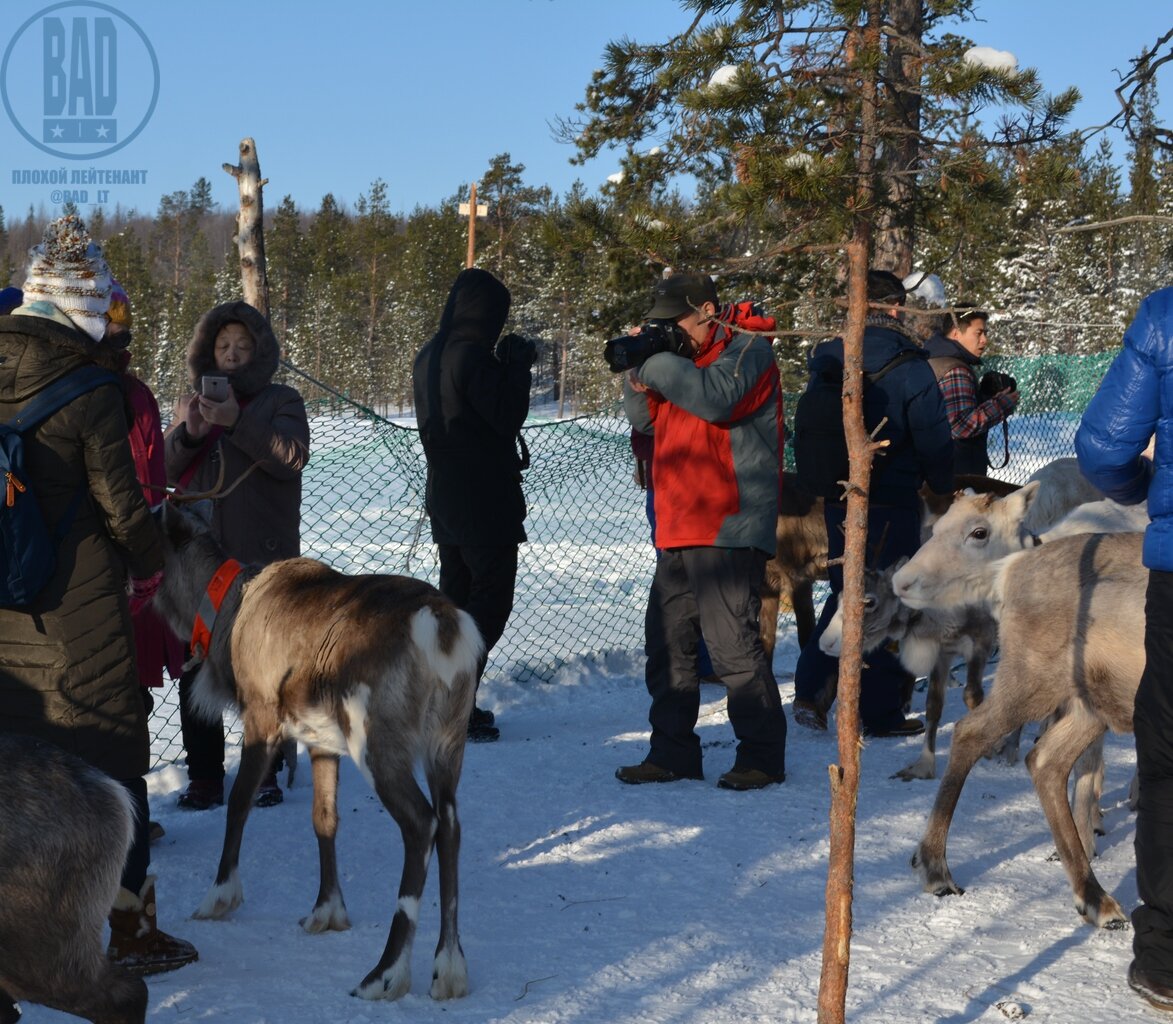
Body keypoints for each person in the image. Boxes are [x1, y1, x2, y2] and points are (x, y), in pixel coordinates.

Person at [0, 215, 197, 974]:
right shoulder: (91, 387)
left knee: (18, 776)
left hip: (6, 610)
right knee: (112, 767)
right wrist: (150, 565)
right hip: (81, 615)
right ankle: (128, 930)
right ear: (83, 308)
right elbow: (124, 509)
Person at [615, 271, 787, 790]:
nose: (670, 332)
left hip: (729, 523)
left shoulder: (749, 350)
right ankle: (672, 754)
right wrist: (634, 380)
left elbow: (718, 399)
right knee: (668, 647)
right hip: (678, 523)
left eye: (676, 322)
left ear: (708, 309)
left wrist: (656, 362)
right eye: (660, 325)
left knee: (732, 646)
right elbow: (646, 424)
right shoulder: (681, 363)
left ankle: (761, 757)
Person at [792, 269, 954, 737]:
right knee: (887, 597)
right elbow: (934, 438)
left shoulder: (827, 358)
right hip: (891, 499)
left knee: (847, 593)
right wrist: (941, 485)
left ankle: (812, 690)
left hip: (839, 498)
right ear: (893, 308)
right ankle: (880, 711)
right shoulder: (910, 365)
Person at [164, 301, 310, 809]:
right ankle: (204, 774)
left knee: (265, 669)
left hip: (261, 565)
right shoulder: (194, 403)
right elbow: (163, 467)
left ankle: (265, 768)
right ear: (208, 353)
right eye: (222, 347)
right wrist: (190, 432)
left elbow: (292, 458)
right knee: (197, 662)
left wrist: (238, 423)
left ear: (260, 353)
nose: (230, 356)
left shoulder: (281, 400)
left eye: (242, 347)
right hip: (201, 569)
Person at [1074, 286, 1173, 1013]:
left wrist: (1146, 486)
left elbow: (1104, 447)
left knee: (1167, 758)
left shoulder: (1165, 315)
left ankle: (1165, 957)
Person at [412, 267, 535, 744]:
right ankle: (451, 705)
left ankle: (437, 701)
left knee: (457, 600)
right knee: (488, 602)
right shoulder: (471, 356)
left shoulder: (429, 354)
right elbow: (505, 418)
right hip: (484, 499)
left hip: (445, 497)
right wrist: (517, 368)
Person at [98, 281, 186, 841]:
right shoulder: (125, 394)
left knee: (118, 694)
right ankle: (121, 816)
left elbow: (152, 481)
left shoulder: (133, 396)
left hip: (114, 564)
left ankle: (127, 815)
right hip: (123, 564)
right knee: (119, 697)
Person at [924, 304, 1019, 476]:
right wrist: (1001, 405)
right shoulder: (954, 369)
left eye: (985, 333)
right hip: (957, 475)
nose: (984, 340)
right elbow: (960, 426)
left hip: (939, 469)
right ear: (955, 333)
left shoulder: (934, 359)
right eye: (978, 333)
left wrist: (984, 398)